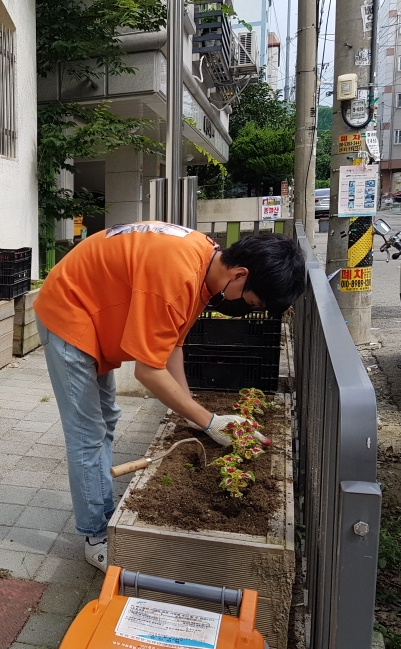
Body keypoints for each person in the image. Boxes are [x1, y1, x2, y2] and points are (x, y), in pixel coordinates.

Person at [33, 223, 306, 571]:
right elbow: (148, 372)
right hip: (68, 310)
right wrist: (210, 421)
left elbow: (172, 344)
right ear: (240, 274)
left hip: (92, 305)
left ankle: (99, 502)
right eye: (250, 301)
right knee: (87, 433)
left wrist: (193, 413)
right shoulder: (176, 278)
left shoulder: (206, 260)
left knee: (107, 418)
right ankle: (96, 536)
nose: (243, 309)